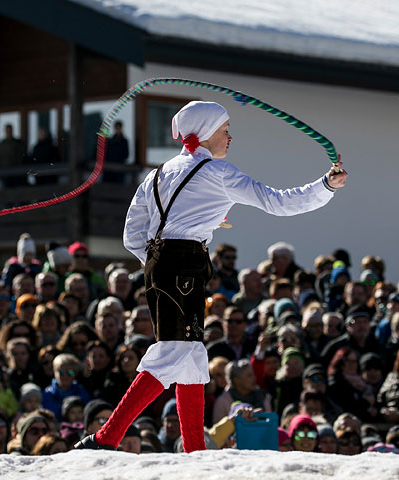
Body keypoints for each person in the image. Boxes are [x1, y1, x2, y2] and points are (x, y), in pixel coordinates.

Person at [76, 100, 347, 453]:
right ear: (204, 134)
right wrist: (326, 185)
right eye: (224, 130)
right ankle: (106, 437)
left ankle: (194, 451)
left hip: (160, 268)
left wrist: (159, 259)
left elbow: (132, 235)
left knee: (192, 359)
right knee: (174, 350)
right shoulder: (218, 173)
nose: (230, 138)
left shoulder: (156, 174)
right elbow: (277, 202)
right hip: (185, 266)